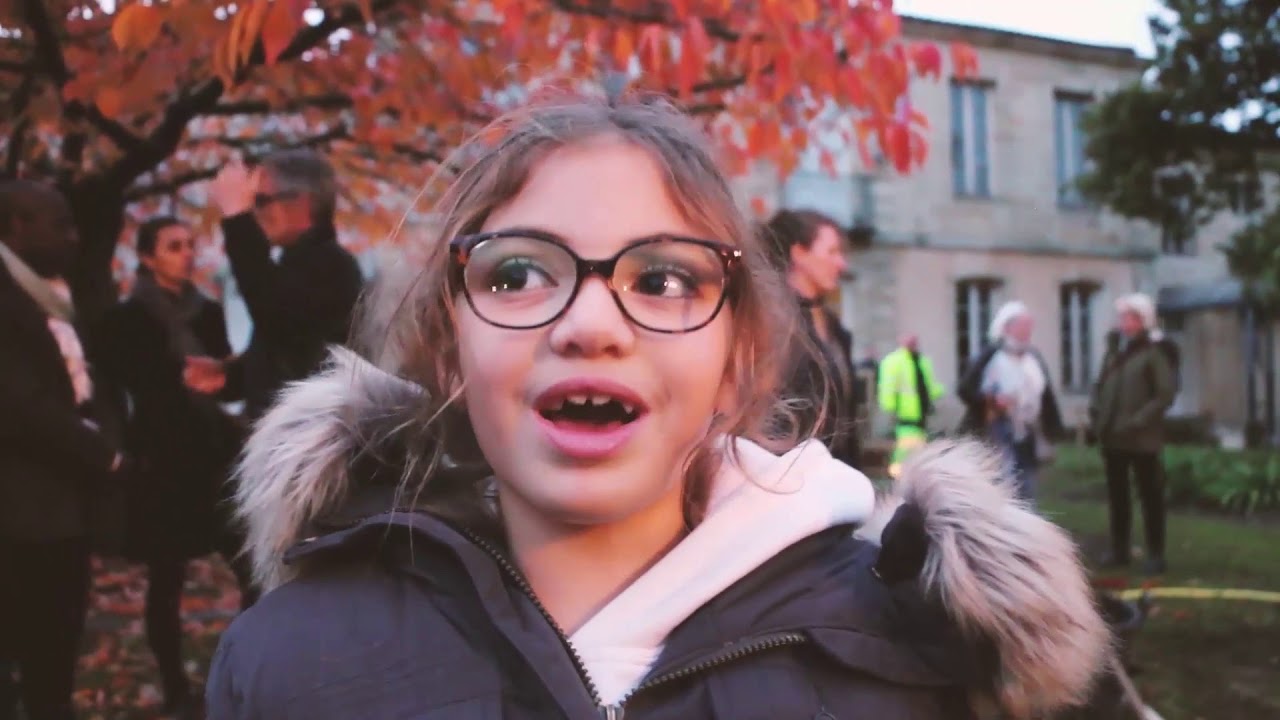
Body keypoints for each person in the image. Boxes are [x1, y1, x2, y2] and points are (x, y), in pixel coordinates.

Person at [205, 92, 1108, 719]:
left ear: (737, 363)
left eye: (665, 277)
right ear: (449, 354)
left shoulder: (908, 658)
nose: (590, 323)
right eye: (518, 273)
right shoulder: (287, 662)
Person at [92, 217, 256, 718]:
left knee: (253, 568)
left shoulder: (206, 312)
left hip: (213, 453)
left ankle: (242, 673)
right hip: (162, 458)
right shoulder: (122, 320)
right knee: (168, 577)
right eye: (173, 247)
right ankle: (174, 686)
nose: (187, 254)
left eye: (190, 245)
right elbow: (117, 391)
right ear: (147, 257)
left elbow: (229, 377)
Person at [0, 180, 126, 720]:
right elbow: (24, 405)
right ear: (17, 224)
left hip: (59, 512)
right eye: (59, 224)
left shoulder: (57, 294)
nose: (72, 237)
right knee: (32, 657)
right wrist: (104, 454)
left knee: (54, 663)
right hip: (21, 514)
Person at [184, 149, 364, 424]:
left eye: (261, 201)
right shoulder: (301, 264)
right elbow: (289, 345)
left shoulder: (330, 265)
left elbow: (276, 314)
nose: (255, 212)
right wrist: (231, 376)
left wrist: (236, 218)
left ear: (303, 203)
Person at [763, 209, 863, 468]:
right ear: (799, 254)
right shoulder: (773, 324)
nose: (841, 264)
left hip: (837, 478)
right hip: (791, 481)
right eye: (832, 252)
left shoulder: (833, 327)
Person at [1089, 293, 1176, 575]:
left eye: (1129, 317)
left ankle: (1155, 554)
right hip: (1113, 437)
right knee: (1118, 497)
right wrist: (1097, 413)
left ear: (1142, 320)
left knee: (1150, 496)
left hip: (1142, 439)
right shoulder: (1116, 351)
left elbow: (1164, 394)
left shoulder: (1155, 351)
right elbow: (1103, 384)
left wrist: (1139, 420)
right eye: (1122, 317)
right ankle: (1120, 550)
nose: (1123, 322)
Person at [957, 301, 1064, 502]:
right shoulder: (991, 356)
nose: (1027, 331)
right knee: (1003, 484)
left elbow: (1046, 395)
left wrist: (1054, 429)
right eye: (1023, 326)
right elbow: (966, 389)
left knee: (1028, 484)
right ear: (1007, 327)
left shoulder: (1033, 357)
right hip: (996, 430)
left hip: (1027, 431)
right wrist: (992, 399)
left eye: (1029, 326)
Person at [878, 333, 944, 477]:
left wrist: (938, 393)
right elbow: (888, 387)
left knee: (917, 446)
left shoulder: (921, 361)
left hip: (920, 414)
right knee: (906, 447)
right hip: (906, 414)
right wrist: (890, 407)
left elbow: (928, 384)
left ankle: (908, 475)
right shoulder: (895, 361)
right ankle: (899, 476)